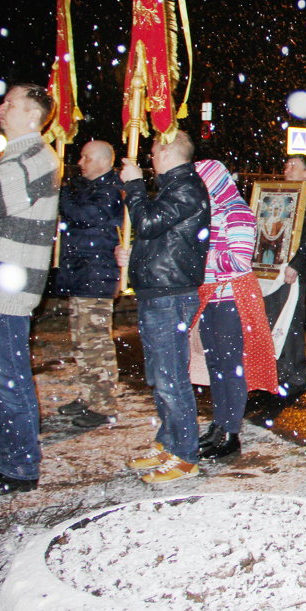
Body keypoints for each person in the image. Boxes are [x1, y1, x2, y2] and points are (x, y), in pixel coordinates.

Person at [119, 130, 211, 483]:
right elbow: (159, 235)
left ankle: (185, 455)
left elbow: (149, 222)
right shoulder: (176, 186)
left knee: (171, 375)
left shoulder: (186, 186)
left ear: (168, 153)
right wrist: (135, 257)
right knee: (159, 375)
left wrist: (136, 187)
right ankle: (169, 443)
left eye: (154, 152)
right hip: (158, 290)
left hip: (170, 294)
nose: (150, 159)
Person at [192, 160, 278, 460]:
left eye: (201, 183)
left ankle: (231, 433)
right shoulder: (209, 212)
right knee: (215, 366)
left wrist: (201, 258)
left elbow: (239, 261)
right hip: (210, 297)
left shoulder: (236, 211)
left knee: (231, 367)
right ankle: (218, 425)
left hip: (231, 300)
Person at [0, 85, 60, 495]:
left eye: (10, 103)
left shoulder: (34, 156)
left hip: (10, 286)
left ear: (33, 113)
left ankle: (20, 466)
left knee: (10, 378)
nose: (1, 107)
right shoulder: (16, 155)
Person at [52, 140, 124, 428]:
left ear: (104, 162)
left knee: (95, 344)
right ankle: (90, 396)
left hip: (96, 275)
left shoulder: (110, 189)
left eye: (86, 157)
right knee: (83, 344)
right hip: (83, 273)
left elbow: (83, 216)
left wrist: (62, 195)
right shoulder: (87, 188)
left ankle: (104, 404)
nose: (80, 162)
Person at [261, 154, 306, 399]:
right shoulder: (278, 196)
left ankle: (295, 375)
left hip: (291, 270)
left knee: (290, 320)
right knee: (272, 319)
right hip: (271, 266)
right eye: (286, 165)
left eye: (294, 166)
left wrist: (296, 264)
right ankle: (273, 373)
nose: (288, 169)